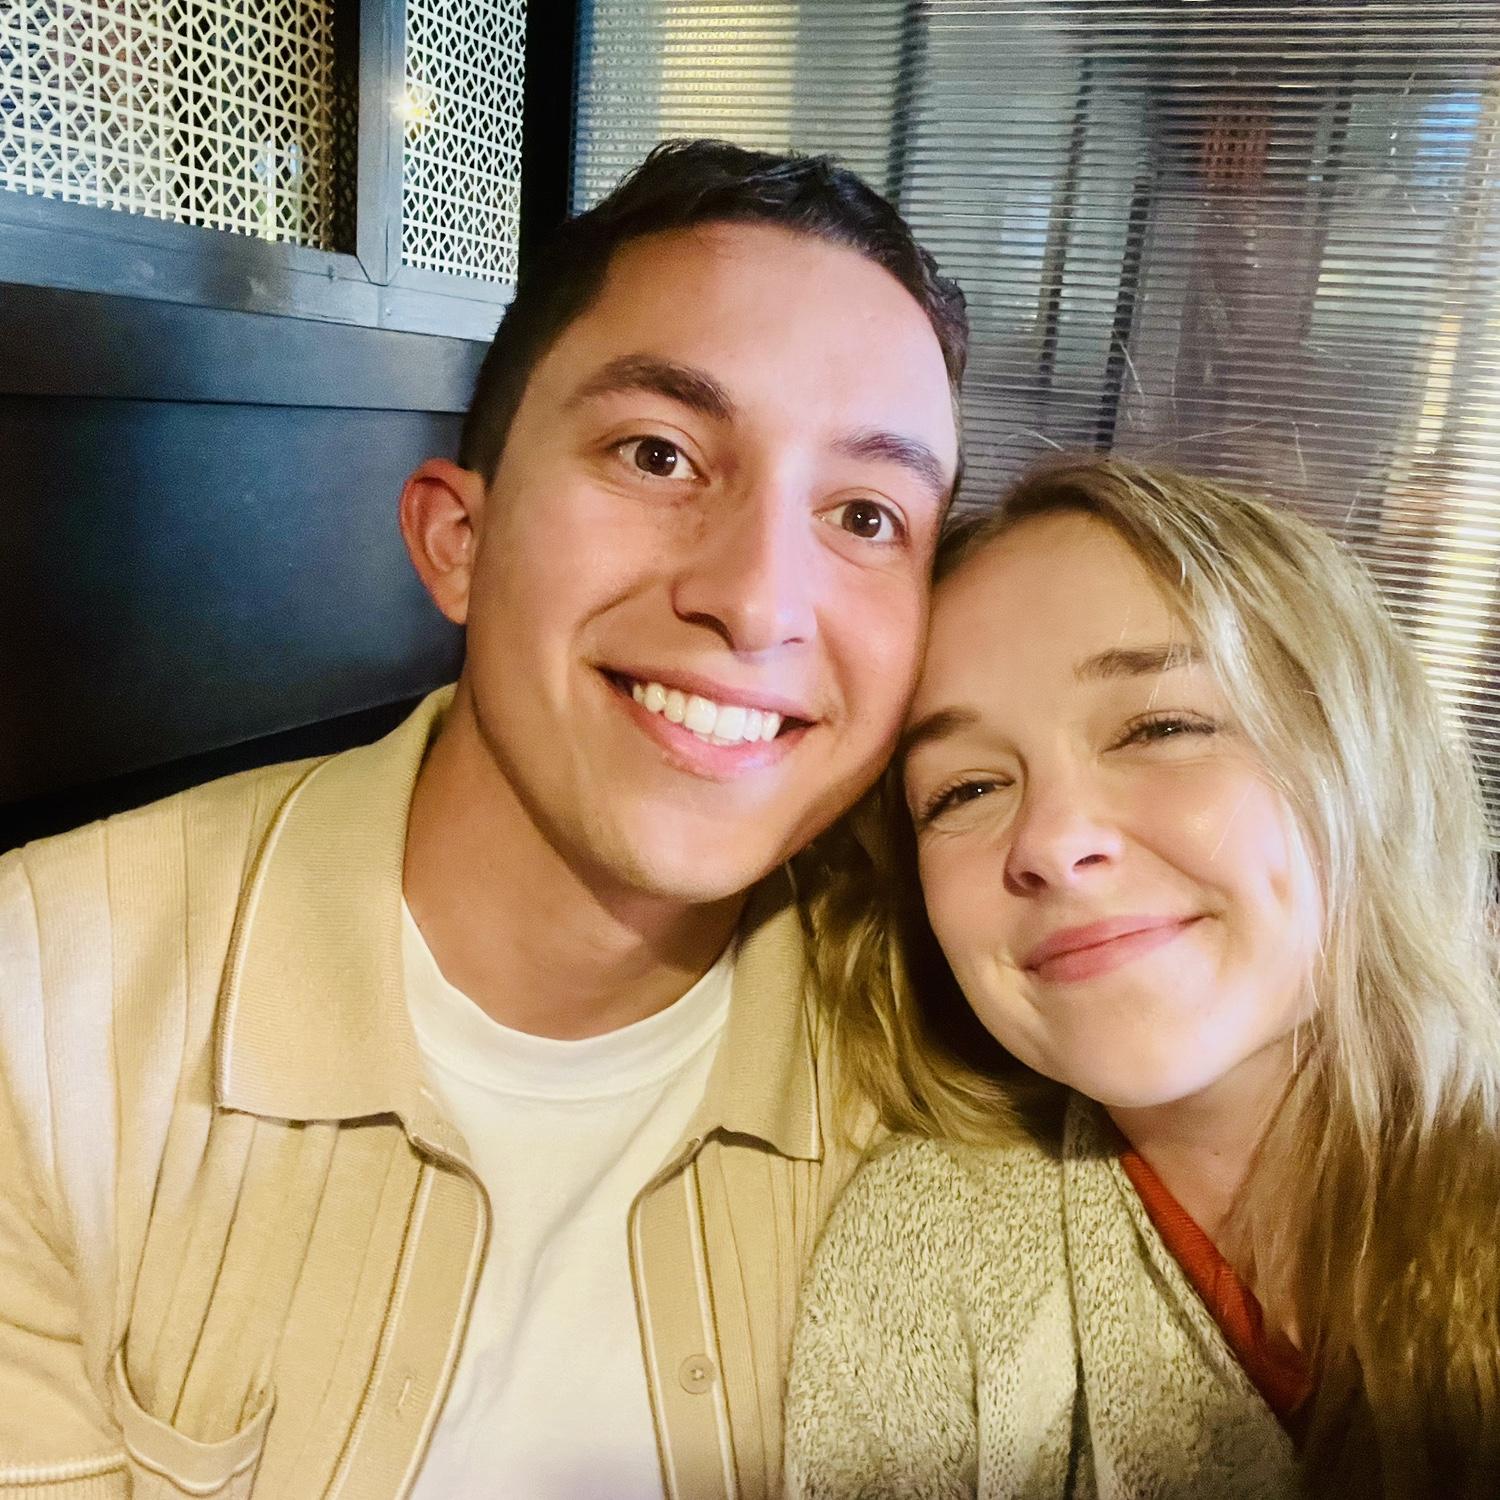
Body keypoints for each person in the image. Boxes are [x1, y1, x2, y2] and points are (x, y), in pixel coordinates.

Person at [0, 140, 966, 1498]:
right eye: (659, 453)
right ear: (459, 540)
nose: (758, 600)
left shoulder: (952, 1065)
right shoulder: (41, 1016)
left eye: (865, 515)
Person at [784, 457, 1500, 1498]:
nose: (1052, 841)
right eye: (965, 789)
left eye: (1161, 727)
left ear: (1359, 756)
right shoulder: (931, 1257)